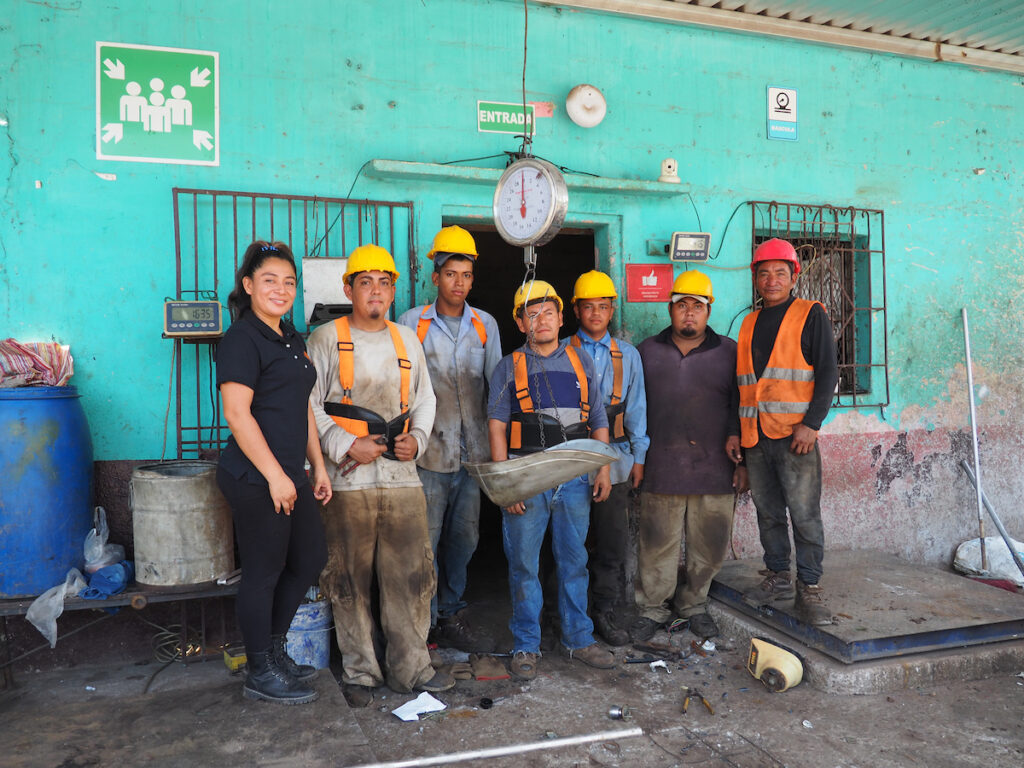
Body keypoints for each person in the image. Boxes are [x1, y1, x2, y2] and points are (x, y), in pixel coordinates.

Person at [307, 243, 452, 707]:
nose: (375, 291)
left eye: (384, 282)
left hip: (402, 479)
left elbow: (425, 399)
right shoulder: (326, 338)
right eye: (365, 282)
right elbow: (308, 408)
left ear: (393, 290)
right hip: (348, 481)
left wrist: (421, 439)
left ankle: (412, 669)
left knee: (410, 576)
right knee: (348, 579)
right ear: (348, 287)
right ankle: (360, 672)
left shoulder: (407, 340)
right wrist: (346, 444)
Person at [215, 240, 332, 705]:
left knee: (309, 559)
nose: (281, 290)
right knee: (264, 572)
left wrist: (316, 466)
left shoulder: (291, 338)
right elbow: (238, 415)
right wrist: (275, 477)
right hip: (253, 475)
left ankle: (274, 650)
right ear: (248, 285)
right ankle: (259, 668)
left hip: (290, 472)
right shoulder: (241, 338)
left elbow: (302, 407)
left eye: (289, 282)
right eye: (269, 280)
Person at [487, 279, 616, 680]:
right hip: (527, 476)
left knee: (574, 560)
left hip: (574, 478)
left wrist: (604, 466)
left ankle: (579, 638)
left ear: (561, 317)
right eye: (531, 314)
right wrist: (506, 483)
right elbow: (496, 426)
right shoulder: (509, 365)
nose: (540, 320)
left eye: (547, 312)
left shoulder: (581, 361)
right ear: (521, 323)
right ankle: (526, 643)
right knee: (524, 564)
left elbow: (597, 418)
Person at [397, 226, 501, 652]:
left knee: (465, 538)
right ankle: (419, 623)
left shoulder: (485, 325)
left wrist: (499, 453)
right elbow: (401, 391)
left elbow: (497, 391)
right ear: (435, 277)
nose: (458, 283)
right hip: (428, 455)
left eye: (466, 275)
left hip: (473, 455)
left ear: (472, 281)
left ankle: (451, 611)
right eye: (450, 273)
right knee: (425, 540)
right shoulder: (410, 324)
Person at [632, 271, 747, 642]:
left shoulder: (730, 352)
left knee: (708, 547)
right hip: (661, 466)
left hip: (715, 468)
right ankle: (652, 609)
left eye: (697, 306)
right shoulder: (646, 351)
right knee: (656, 546)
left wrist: (741, 460)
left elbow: (742, 405)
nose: (689, 314)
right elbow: (633, 408)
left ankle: (694, 605)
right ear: (670, 309)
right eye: (682, 305)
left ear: (708, 312)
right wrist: (636, 458)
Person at [733, 238, 839, 626]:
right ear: (755, 278)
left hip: (797, 438)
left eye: (780, 272)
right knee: (768, 513)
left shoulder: (811, 314)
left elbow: (828, 372)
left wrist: (812, 423)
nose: (772, 280)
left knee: (805, 515)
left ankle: (809, 588)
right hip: (756, 438)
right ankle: (778, 578)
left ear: (794, 276)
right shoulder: (748, 323)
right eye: (764, 273)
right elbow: (740, 386)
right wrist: (736, 435)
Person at [568, 270, 649, 647]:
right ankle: (565, 616)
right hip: (568, 463)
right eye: (589, 307)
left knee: (612, 544)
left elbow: (636, 409)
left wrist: (638, 456)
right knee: (569, 545)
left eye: (603, 307)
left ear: (613, 309)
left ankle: (605, 611)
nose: (596, 313)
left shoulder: (627, 356)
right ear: (577, 310)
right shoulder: (561, 350)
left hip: (615, 462)